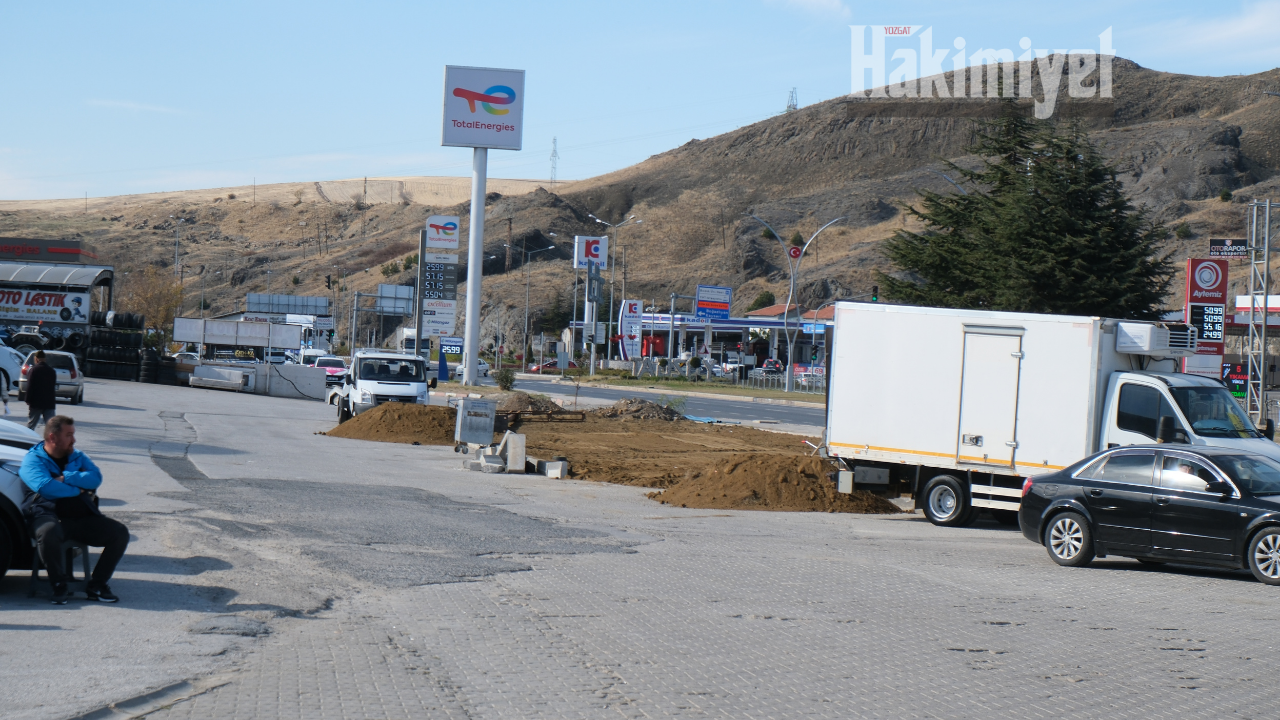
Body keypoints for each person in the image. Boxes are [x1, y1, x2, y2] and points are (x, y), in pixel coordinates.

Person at [20, 415, 128, 604]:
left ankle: (97, 585)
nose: (74, 440)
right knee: (48, 532)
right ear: (53, 437)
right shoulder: (33, 460)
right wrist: (78, 489)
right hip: (45, 515)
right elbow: (46, 488)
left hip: (78, 517)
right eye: (69, 435)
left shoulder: (77, 456)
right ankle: (59, 585)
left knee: (119, 533)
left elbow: (95, 479)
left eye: (73, 434)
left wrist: (67, 478)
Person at [25, 350, 56, 430]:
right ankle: (52, 438)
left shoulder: (34, 370)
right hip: (49, 402)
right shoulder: (51, 371)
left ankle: (28, 437)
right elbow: (53, 386)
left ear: (36, 359)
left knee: (31, 425)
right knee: (51, 426)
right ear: (45, 359)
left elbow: (30, 386)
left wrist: (28, 399)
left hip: (36, 402)